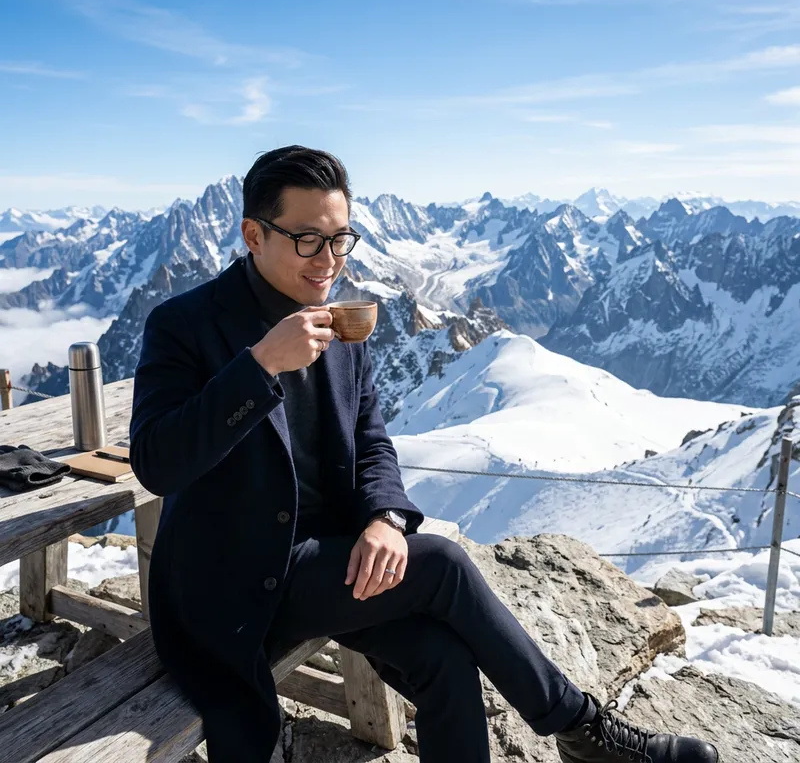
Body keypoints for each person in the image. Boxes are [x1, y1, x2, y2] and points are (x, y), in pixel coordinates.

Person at [130, 146, 718, 763]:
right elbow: (156, 463)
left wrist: (385, 518)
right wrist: (260, 366)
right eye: (308, 240)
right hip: (232, 583)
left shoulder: (340, 321)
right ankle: (585, 731)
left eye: (340, 239)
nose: (329, 260)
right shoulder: (184, 324)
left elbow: (371, 441)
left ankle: (582, 734)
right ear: (254, 235)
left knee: (443, 659)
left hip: (323, 563)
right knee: (443, 563)